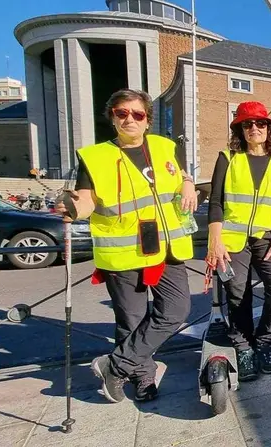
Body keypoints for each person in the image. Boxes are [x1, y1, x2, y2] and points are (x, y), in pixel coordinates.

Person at [56, 89, 196, 403]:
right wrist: (72, 206)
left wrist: (188, 184)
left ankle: (114, 366)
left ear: (147, 120)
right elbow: (87, 201)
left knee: (175, 311)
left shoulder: (165, 146)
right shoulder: (95, 156)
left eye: (137, 114)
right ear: (113, 117)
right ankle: (142, 379)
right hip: (124, 251)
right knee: (131, 321)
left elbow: (182, 175)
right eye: (122, 113)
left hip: (168, 246)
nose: (129, 119)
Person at [204, 101, 271, 381]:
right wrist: (214, 242)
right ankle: (243, 346)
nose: (254, 128)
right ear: (239, 130)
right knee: (237, 293)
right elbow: (215, 202)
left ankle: (265, 343)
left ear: (269, 128)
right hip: (232, 239)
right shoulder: (227, 158)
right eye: (247, 124)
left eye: (260, 123)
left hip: (268, 238)